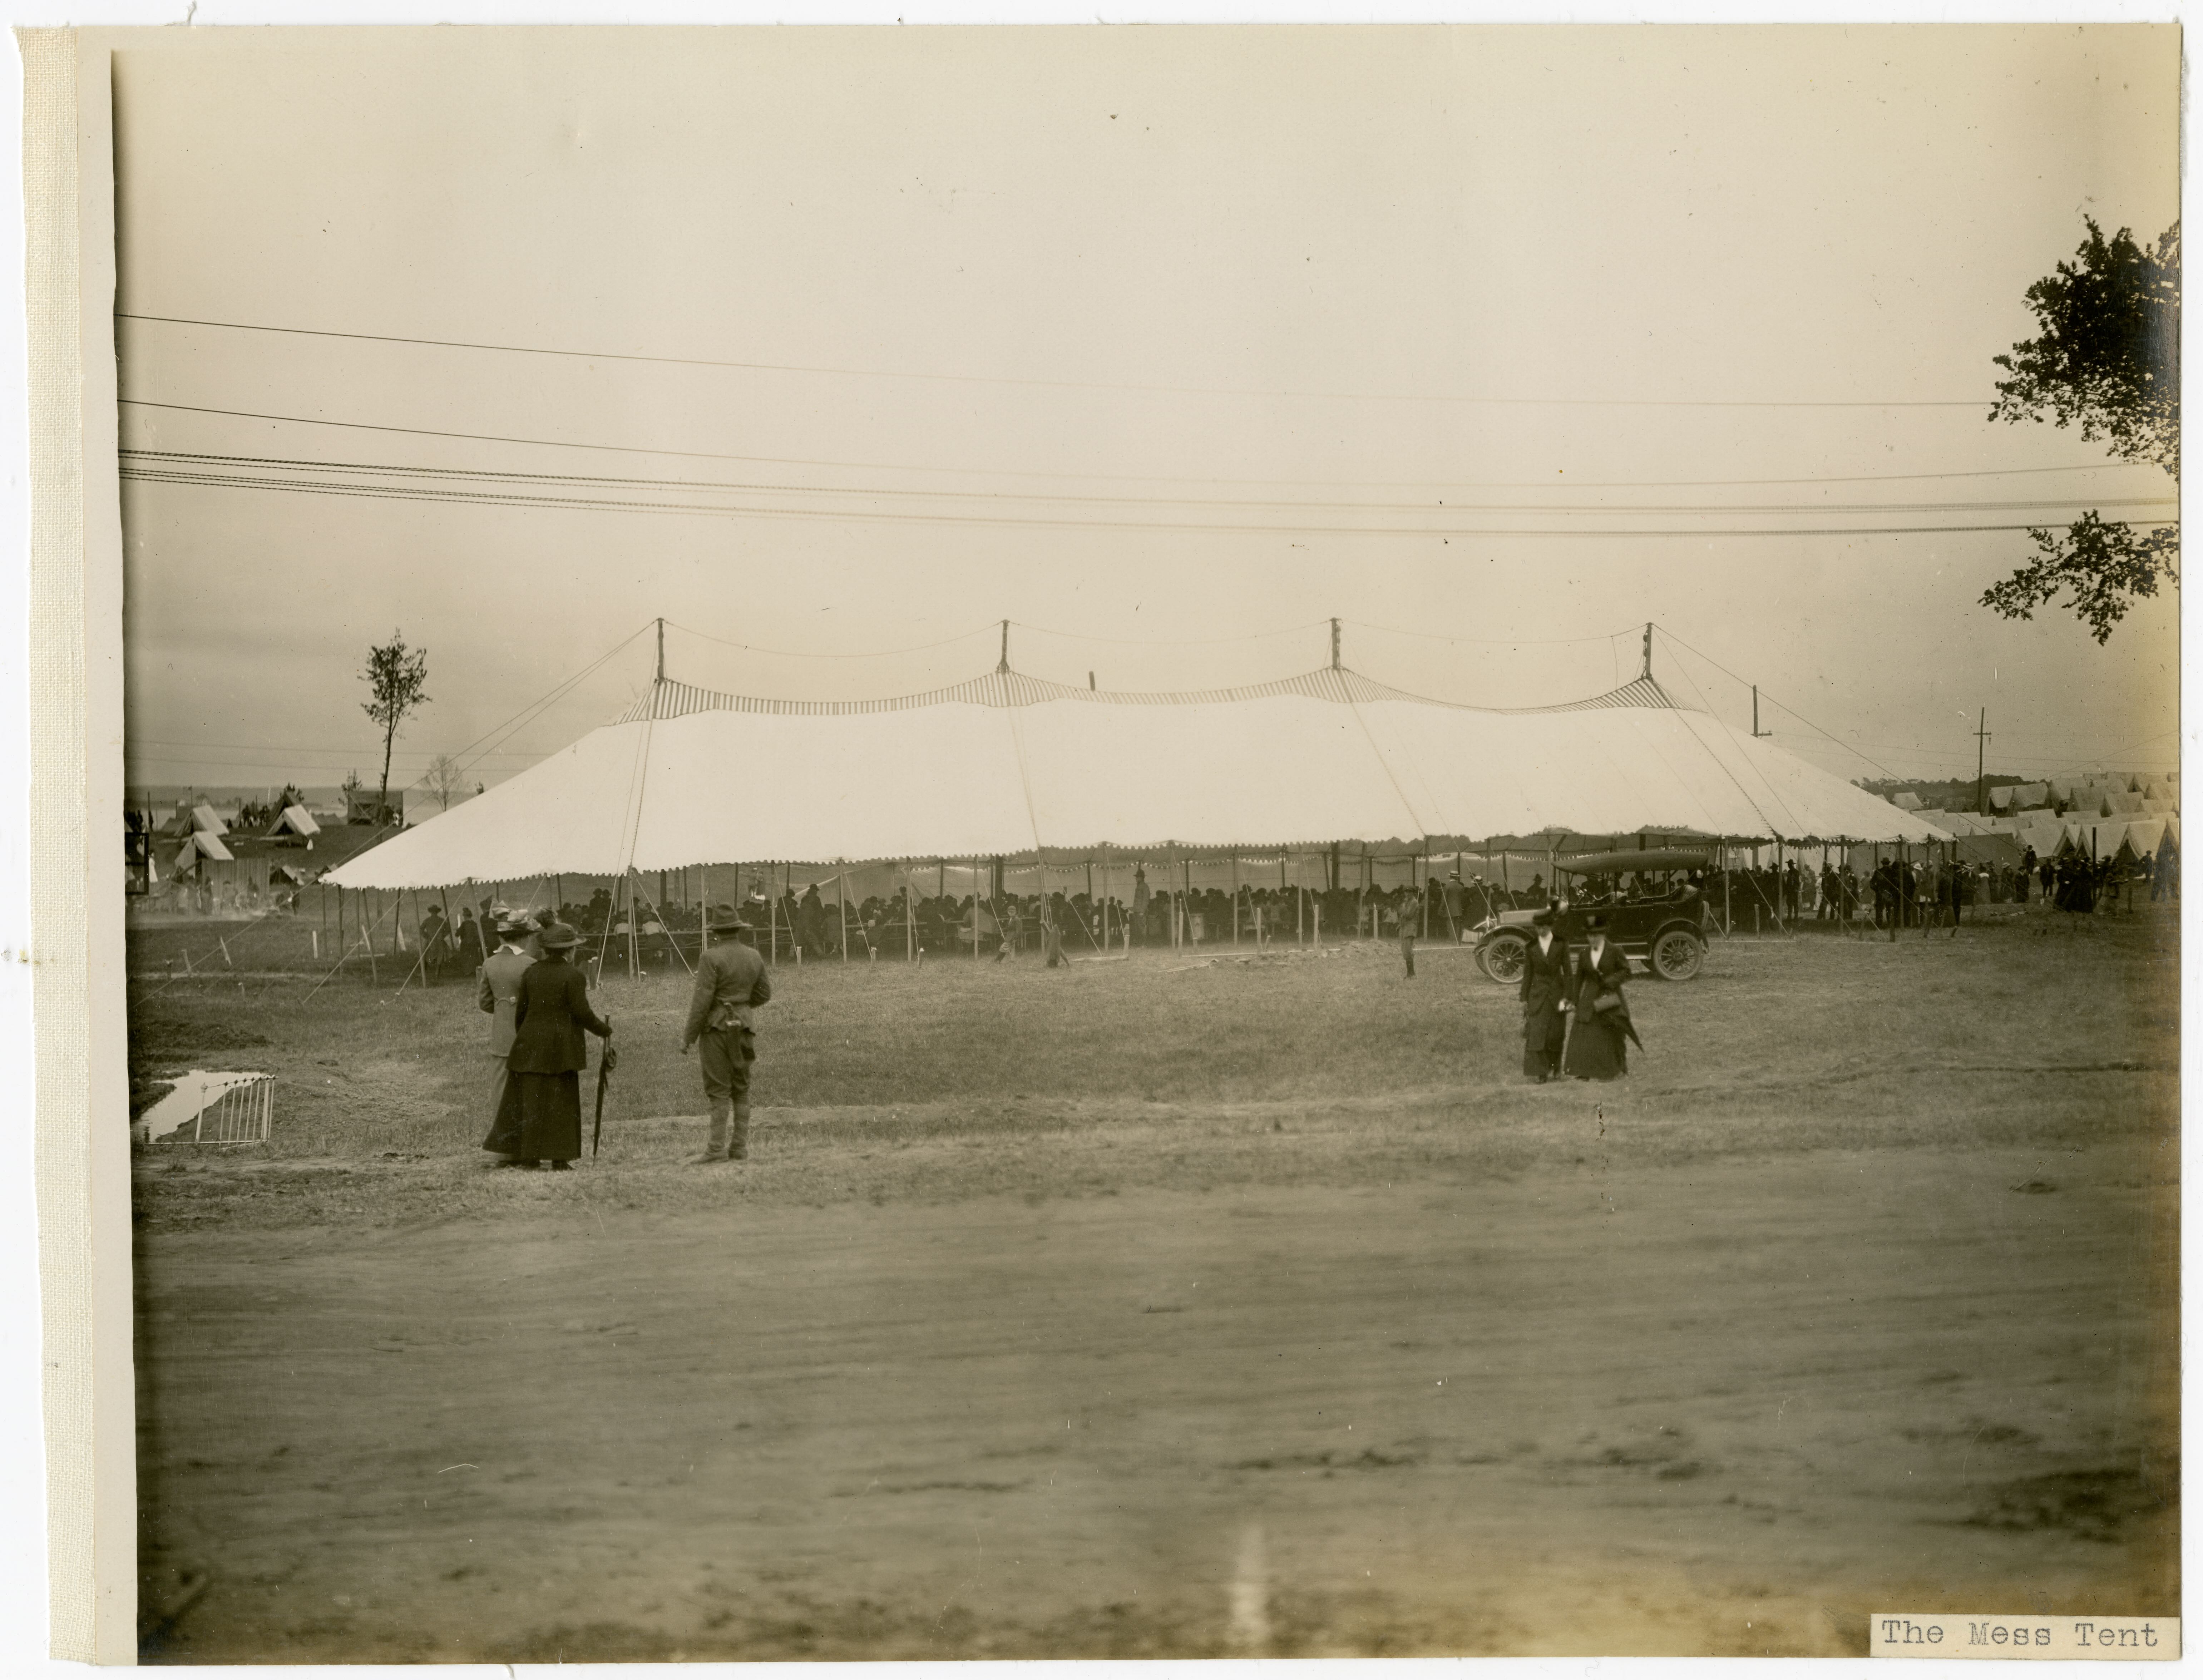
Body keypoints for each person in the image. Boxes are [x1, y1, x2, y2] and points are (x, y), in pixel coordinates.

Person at [484, 921, 610, 1170]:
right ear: (570, 951)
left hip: (529, 1047)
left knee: (531, 1102)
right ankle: (559, 1159)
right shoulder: (574, 975)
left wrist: (527, 1038)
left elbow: (521, 1013)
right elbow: (581, 1013)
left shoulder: (531, 973)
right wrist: (604, 1030)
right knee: (562, 1103)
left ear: (546, 950)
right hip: (562, 1050)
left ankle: (530, 1159)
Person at [680, 906, 774, 1163]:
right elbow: (764, 994)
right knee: (741, 1089)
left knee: (719, 1090)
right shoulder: (754, 956)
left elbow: (701, 1003)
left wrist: (688, 1037)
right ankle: (739, 1148)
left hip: (716, 1029)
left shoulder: (710, 958)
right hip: (744, 1027)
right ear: (738, 929)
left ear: (717, 932)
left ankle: (715, 1149)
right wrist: (741, 1008)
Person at [476, 911, 536, 1165]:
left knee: (501, 1092)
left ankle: (504, 1150)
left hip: (500, 1036)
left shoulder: (489, 964)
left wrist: (504, 1009)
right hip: (526, 1035)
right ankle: (528, 1148)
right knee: (529, 1092)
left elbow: (485, 1003)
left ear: (501, 936)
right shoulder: (530, 964)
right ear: (523, 937)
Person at [1564, 914, 1640, 1081]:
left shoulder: (1615, 951)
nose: (1592, 938)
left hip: (1610, 997)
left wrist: (1611, 981)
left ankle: (1616, 1070)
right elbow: (1579, 979)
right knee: (1584, 1034)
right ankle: (1584, 1071)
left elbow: (1626, 972)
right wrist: (1574, 1001)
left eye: (1596, 935)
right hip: (1589, 998)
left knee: (1612, 1034)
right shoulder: (1584, 953)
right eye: (1589, 935)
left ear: (1604, 934)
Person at [1517, 908, 1569, 1083]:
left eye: (1544, 927)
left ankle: (1555, 1070)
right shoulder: (1531, 947)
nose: (1541, 931)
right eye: (1538, 928)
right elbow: (1528, 975)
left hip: (1557, 995)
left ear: (1551, 926)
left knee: (1555, 1035)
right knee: (1538, 1034)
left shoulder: (1562, 944)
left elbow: (1569, 973)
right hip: (1537, 996)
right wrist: (1524, 999)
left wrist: (1569, 998)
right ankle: (1541, 1073)